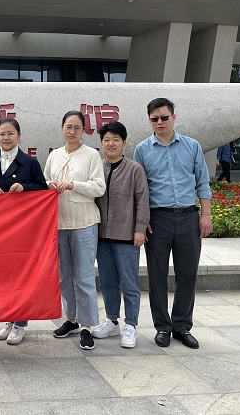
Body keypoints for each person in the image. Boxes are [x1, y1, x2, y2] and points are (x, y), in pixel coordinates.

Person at [134, 98, 212, 350]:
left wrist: (206, 215)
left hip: (189, 218)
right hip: (158, 220)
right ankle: (162, 327)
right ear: (149, 121)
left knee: (187, 274)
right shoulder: (142, 150)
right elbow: (140, 190)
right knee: (157, 275)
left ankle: (182, 326)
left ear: (174, 117)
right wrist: (142, 221)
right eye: (154, 119)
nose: (160, 122)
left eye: (164, 117)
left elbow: (202, 182)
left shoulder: (192, 146)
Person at [0, 117, 47, 345]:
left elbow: (42, 189)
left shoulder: (30, 163)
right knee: (2, 276)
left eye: (10, 133)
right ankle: (8, 318)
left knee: (21, 275)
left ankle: (20, 323)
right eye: (2, 134)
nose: (6, 138)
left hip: (22, 229)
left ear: (19, 136)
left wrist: (25, 187)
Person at [44, 111, 105, 350]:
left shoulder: (92, 155)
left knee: (84, 276)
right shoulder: (54, 155)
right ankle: (71, 319)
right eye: (68, 127)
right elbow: (44, 181)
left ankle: (87, 325)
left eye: (77, 127)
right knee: (64, 275)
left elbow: (99, 187)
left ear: (83, 130)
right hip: (59, 223)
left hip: (84, 222)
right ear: (62, 128)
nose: (72, 131)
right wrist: (51, 184)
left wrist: (73, 185)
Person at [91, 121, 149, 349]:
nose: (111, 144)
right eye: (106, 140)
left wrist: (140, 229)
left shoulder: (135, 170)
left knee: (129, 282)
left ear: (124, 142)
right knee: (107, 281)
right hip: (102, 236)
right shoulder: (97, 168)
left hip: (126, 236)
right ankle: (112, 321)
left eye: (115, 139)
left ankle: (131, 325)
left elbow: (142, 201)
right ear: (101, 143)